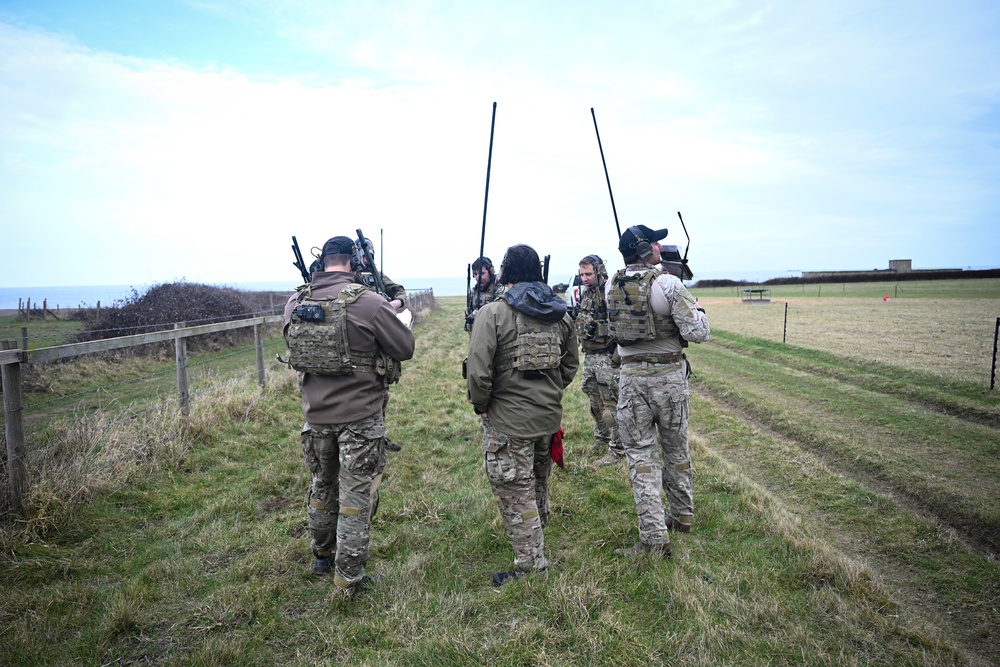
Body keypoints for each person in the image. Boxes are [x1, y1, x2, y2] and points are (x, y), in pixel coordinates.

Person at [283, 235, 415, 595]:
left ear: (322, 261)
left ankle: (322, 556)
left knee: (322, 487)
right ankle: (349, 578)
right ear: (355, 261)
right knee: (355, 496)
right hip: (361, 416)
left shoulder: (295, 301)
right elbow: (404, 348)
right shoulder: (369, 303)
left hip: (315, 417)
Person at [466, 244, 579, 586]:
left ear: (505, 273)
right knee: (538, 479)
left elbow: (479, 371)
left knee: (516, 489)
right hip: (547, 416)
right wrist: (548, 392)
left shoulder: (493, 313)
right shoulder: (560, 314)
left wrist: (482, 404)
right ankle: (536, 536)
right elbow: (571, 365)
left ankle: (531, 566)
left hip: (508, 420)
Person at [606, 225, 710, 559]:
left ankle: (654, 537)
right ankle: (682, 516)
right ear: (646, 250)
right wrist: (700, 310)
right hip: (669, 379)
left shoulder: (611, 285)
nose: (660, 245)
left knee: (640, 456)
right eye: (655, 242)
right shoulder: (668, 284)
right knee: (676, 448)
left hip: (632, 379)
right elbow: (697, 332)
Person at [353, 236, 408, 452]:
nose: (366, 259)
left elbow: (400, 291)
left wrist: (394, 303)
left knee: (382, 390)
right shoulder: (351, 277)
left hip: (380, 338)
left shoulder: (377, 275)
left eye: (369, 254)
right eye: (362, 254)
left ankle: (379, 435)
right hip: (360, 338)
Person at [575, 254, 625, 466]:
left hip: (607, 356)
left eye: (589, 274)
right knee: (595, 403)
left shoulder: (611, 293)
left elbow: (622, 324)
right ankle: (602, 440)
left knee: (610, 406)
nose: (585, 278)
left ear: (599, 272)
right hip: (590, 355)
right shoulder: (585, 294)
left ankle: (618, 449)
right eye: (582, 274)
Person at [465, 256, 502, 332]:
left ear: (491, 272)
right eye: (475, 274)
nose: (478, 277)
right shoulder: (474, 292)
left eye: (481, 273)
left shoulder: (501, 290)